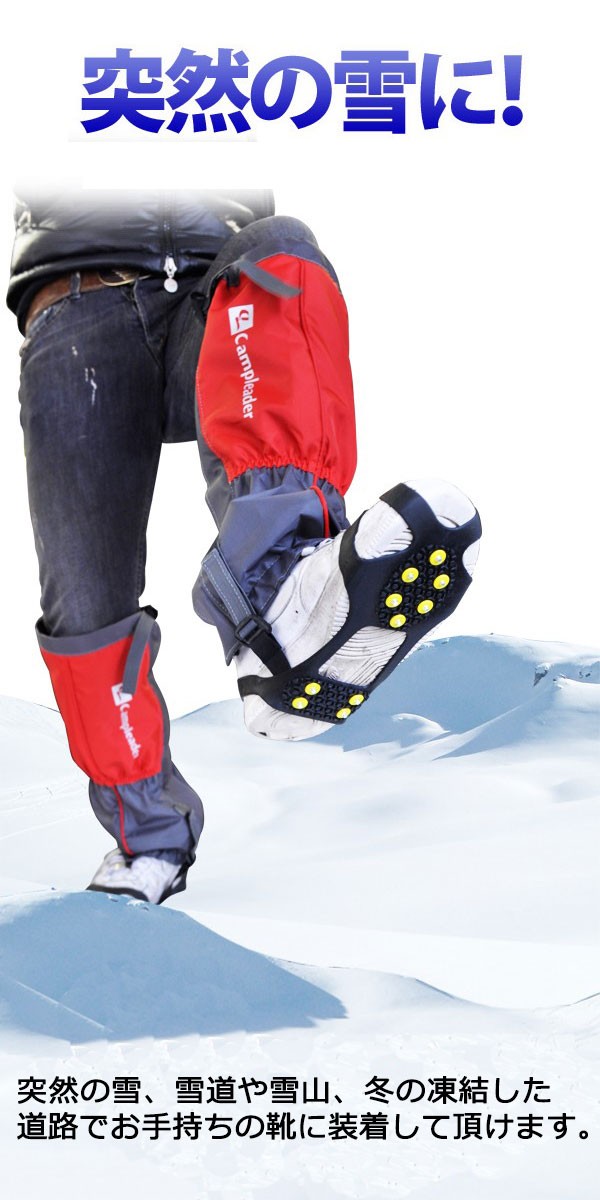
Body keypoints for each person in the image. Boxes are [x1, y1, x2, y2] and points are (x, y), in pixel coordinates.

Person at [7, 188, 481, 904]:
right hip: (76, 303)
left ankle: (276, 595)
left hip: (215, 288)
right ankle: (149, 836)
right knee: (83, 600)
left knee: (279, 252)